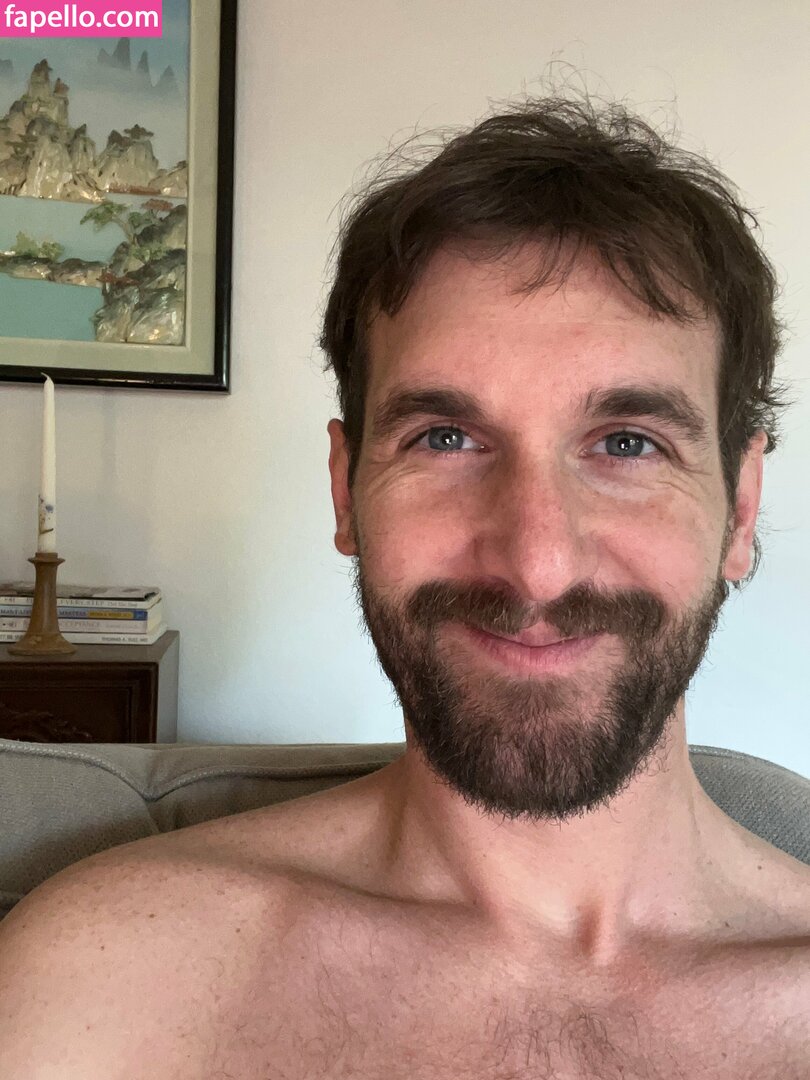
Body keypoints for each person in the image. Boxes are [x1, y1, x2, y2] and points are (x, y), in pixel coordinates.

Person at [0, 96, 808, 1079]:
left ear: (740, 507)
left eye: (629, 444)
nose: (537, 563)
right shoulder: (110, 981)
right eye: (446, 438)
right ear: (346, 491)